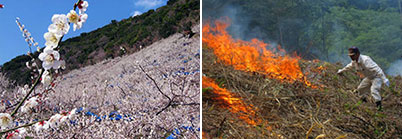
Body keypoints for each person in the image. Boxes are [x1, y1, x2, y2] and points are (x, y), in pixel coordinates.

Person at [337, 47, 389, 111]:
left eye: (353, 55)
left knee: (374, 90)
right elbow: (349, 66)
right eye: (350, 56)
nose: (351, 57)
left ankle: (379, 107)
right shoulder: (354, 61)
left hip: (376, 77)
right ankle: (364, 101)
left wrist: (384, 79)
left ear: (357, 54)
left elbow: (377, 69)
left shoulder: (366, 60)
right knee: (360, 89)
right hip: (368, 77)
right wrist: (341, 71)